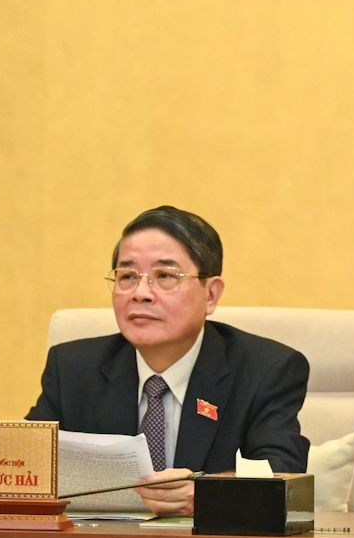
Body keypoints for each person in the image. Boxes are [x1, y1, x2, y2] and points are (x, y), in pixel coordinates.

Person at [28, 205, 309, 514]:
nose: (140, 293)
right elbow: (29, 466)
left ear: (211, 295)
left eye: (165, 276)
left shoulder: (266, 370)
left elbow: (284, 477)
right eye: (127, 276)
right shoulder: (73, 368)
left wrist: (207, 495)